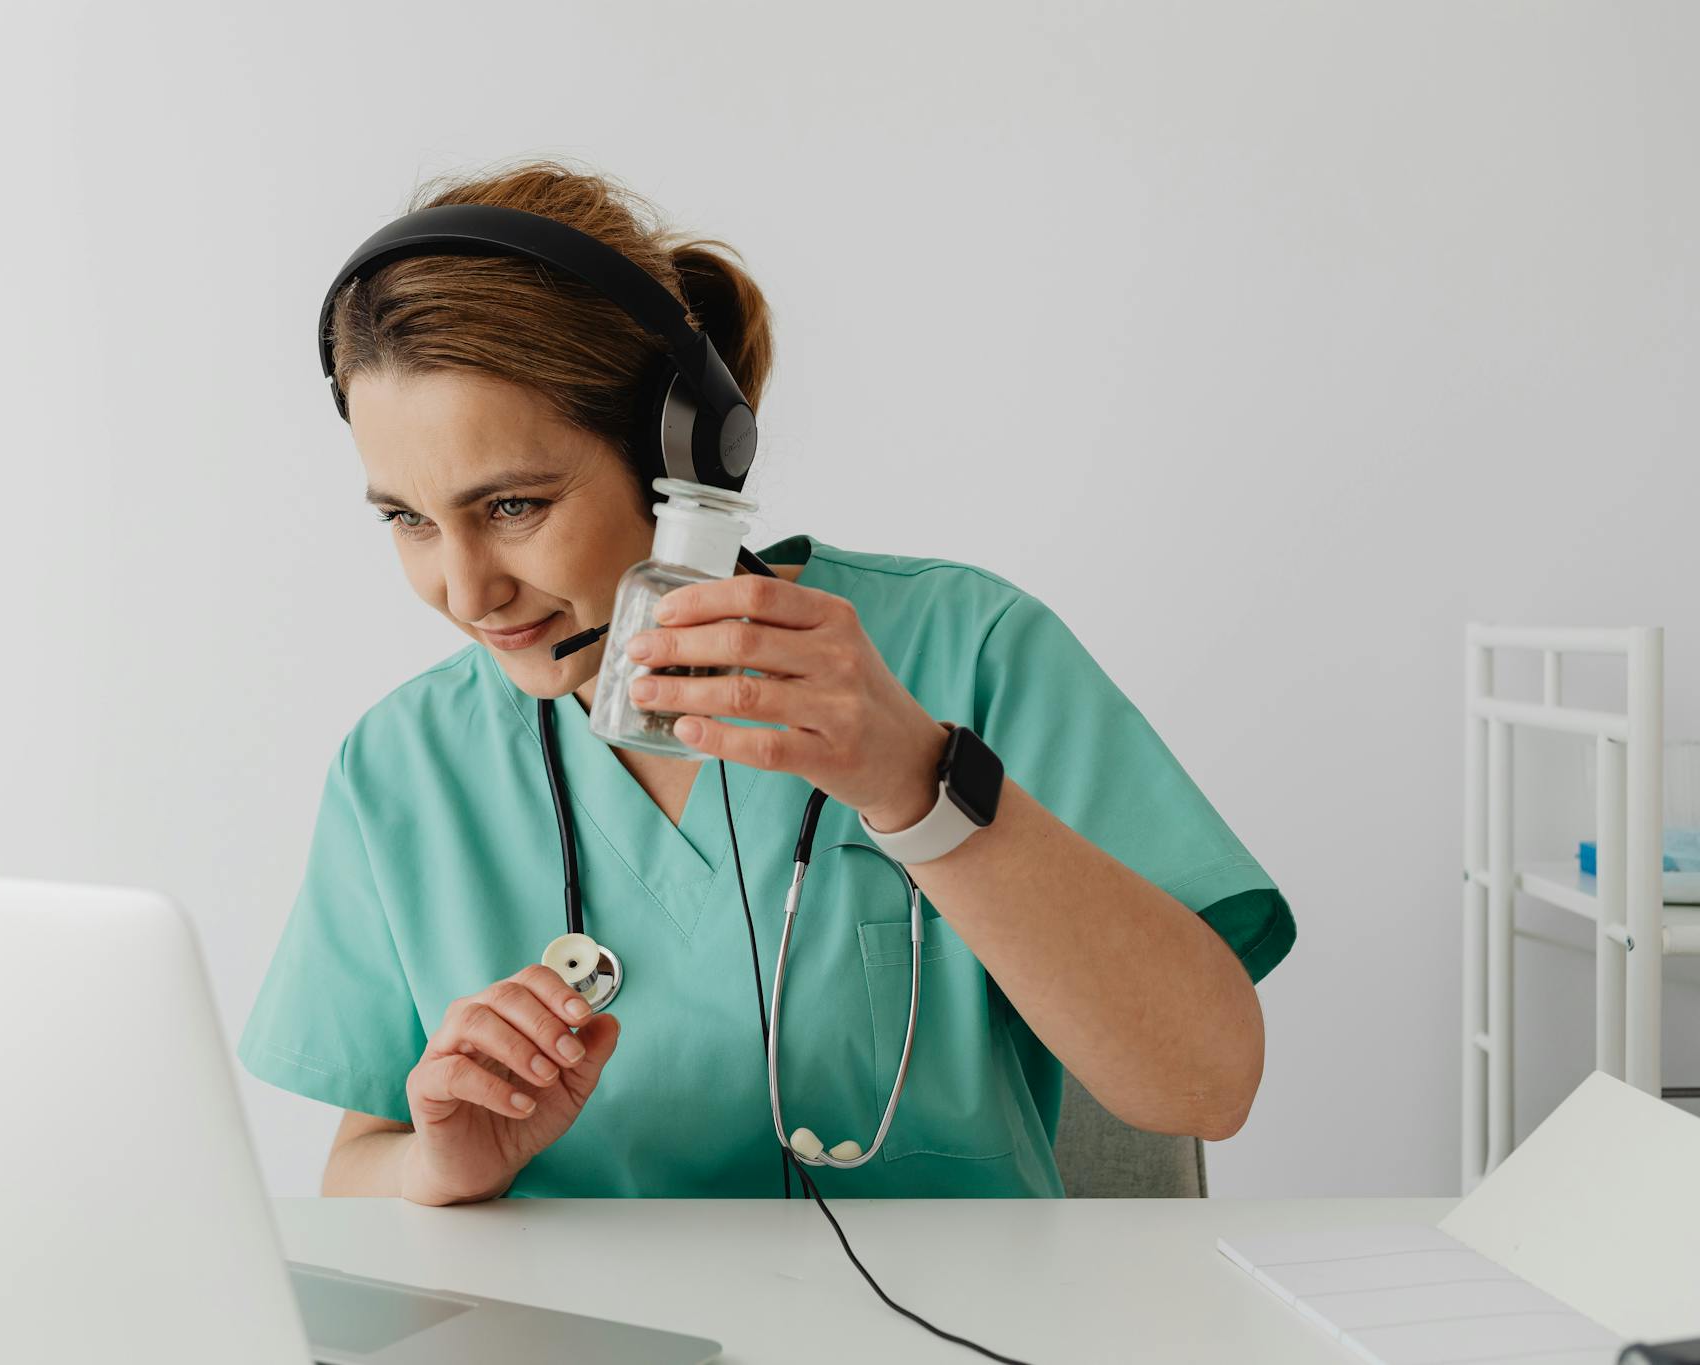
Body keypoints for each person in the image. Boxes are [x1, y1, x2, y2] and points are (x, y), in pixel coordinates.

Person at [237, 160, 1295, 1204]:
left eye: (512, 506)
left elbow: (1204, 1087)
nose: (466, 592)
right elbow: (358, 1167)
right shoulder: (402, 768)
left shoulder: (967, 649)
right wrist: (438, 1165)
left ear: (683, 455)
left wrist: (919, 785)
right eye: (408, 520)